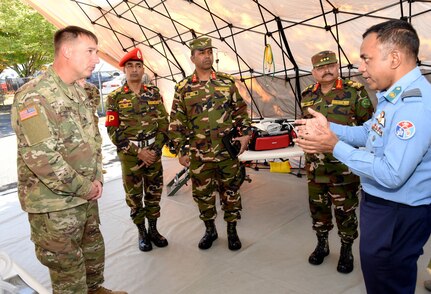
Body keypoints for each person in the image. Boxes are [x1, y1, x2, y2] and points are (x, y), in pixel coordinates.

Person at [294, 19, 431, 294]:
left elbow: (392, 174)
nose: (360, 67)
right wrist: (330, 128)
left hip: (397, 211)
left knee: (387, 281)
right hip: (385, 206)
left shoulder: (414, 105)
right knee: (381, 275)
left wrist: (333, 146)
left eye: (366, 59)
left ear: (394, 58)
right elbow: (369, 131)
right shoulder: (393, 96)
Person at [10, 26, 126, 294]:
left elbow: (93, 139)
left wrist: (96, 177)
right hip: (55, 203)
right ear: (66, 51)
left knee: (92, 252)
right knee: (68, 271)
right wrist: (86, 187)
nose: (96, 58)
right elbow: (44, 159)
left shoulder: (79, 91)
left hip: (85, 194)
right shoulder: (34, 96)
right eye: (90, 51)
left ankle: (95, 290)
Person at [169, 37, 252, 251]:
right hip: (199, 154)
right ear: (192, 58)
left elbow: (240, 110)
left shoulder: (226, 82)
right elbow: (177, 121)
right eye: (201, 53)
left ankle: (232, 231)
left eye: (209, 52)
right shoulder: (183, 88)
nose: (207, 56)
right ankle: (210, 230)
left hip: (226, 152)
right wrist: (181, 150)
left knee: (231, 192)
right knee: (203, 195)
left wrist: (245, 135)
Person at [301, 50, 374, 273]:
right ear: (314, 73)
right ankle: (322, 244)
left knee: (345, 211)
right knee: (318, 210)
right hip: (315, 168)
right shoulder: (307, 95)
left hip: (344, 168)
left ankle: (346, 249)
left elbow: (370, 128)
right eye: (321, 68)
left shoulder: (355, 91)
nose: (327, 70)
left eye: (331, 65)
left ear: (338, 66)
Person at [105, 48, 169, 252]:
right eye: (130, 66)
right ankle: (141, 232)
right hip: (130, 157)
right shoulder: (114, 97)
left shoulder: (153, 93)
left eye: (138, 66)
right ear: (124, 70)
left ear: (143, 70)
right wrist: (138, 152)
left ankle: (153, 230)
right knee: (134, 196)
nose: (134, 70)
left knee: (154, 193)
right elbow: (112, 130)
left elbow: (163, 124)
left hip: (153, 154)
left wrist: (154, 150)